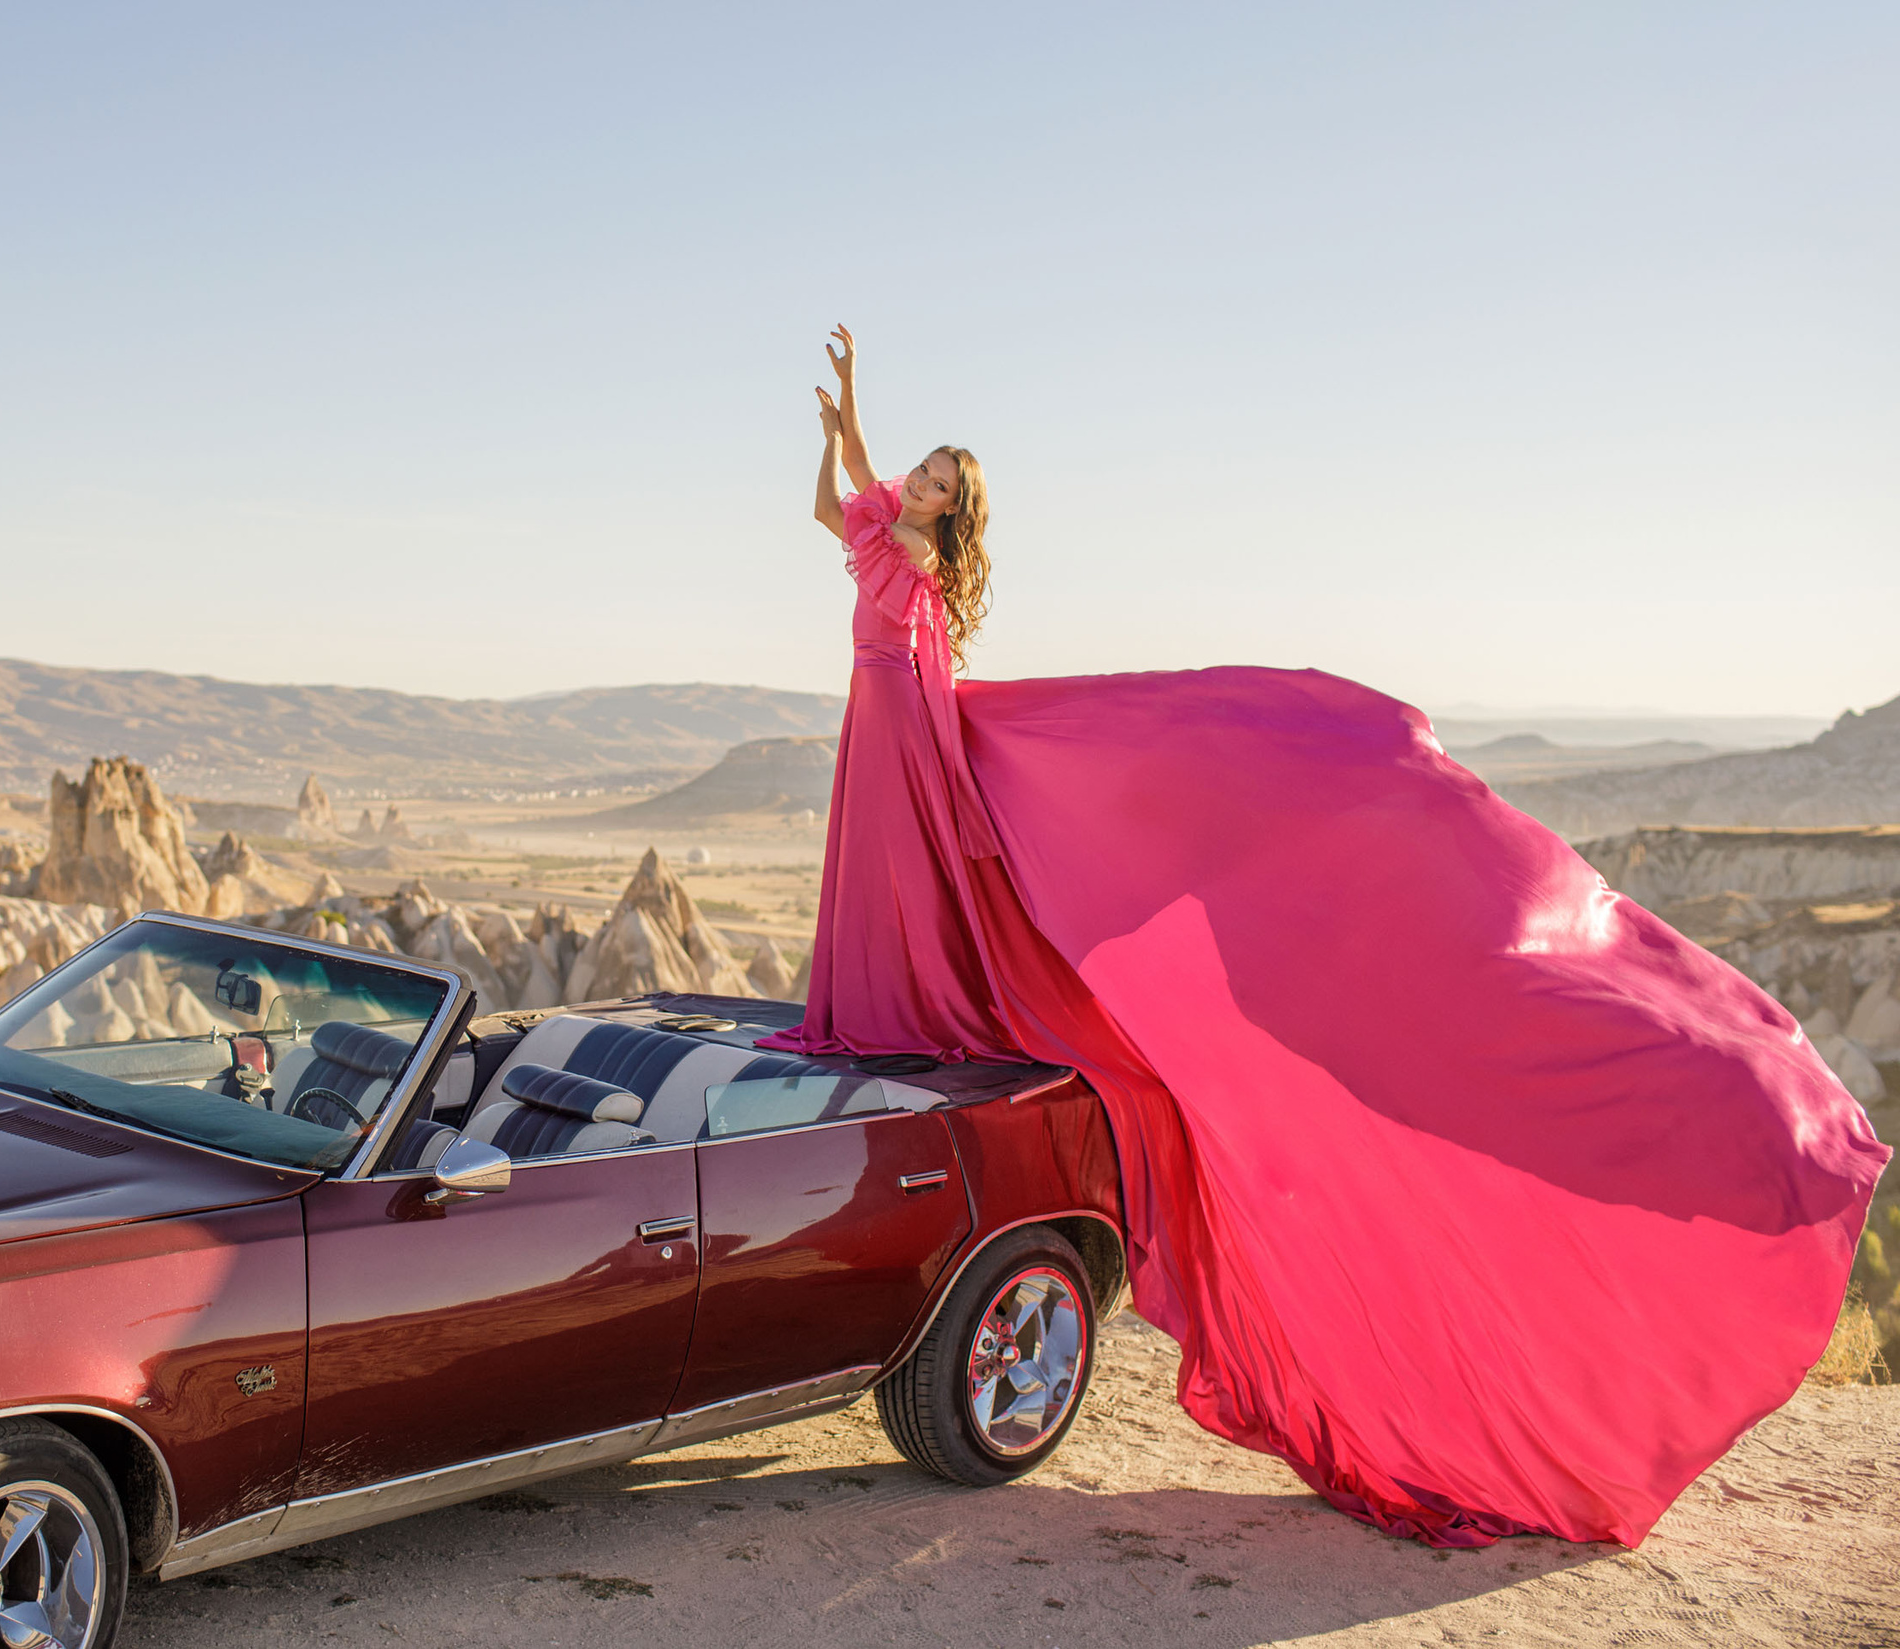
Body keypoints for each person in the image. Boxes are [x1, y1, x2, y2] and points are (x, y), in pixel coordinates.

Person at [765, 325, 1889, 1548]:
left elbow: (862, 524)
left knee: (952, 875)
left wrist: (865, 458)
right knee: (901, 878)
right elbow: (837, 504)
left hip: (914, 734)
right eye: (920, 471)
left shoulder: (914, 554)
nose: (918, 487)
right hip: (880, 727)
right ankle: (890, 1006)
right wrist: (844, 421)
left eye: (937, 481)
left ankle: (920, 1003)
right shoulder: (888, 527)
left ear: (955, 510)